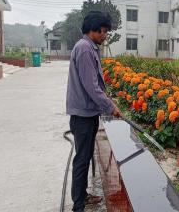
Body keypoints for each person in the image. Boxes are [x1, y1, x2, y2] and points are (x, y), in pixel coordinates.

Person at [66, 11, 122, 212]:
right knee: (82, 159)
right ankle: (78, 205)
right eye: (104, 31)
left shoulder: (89, 48)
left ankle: (82, 196)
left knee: (86, 155)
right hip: (82, 115)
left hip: (87, 113)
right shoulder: (85, 50)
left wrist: (108, 102)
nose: (105, 35)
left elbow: (95, 84)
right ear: (93, 29)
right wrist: (110, 107)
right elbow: (91, 86)